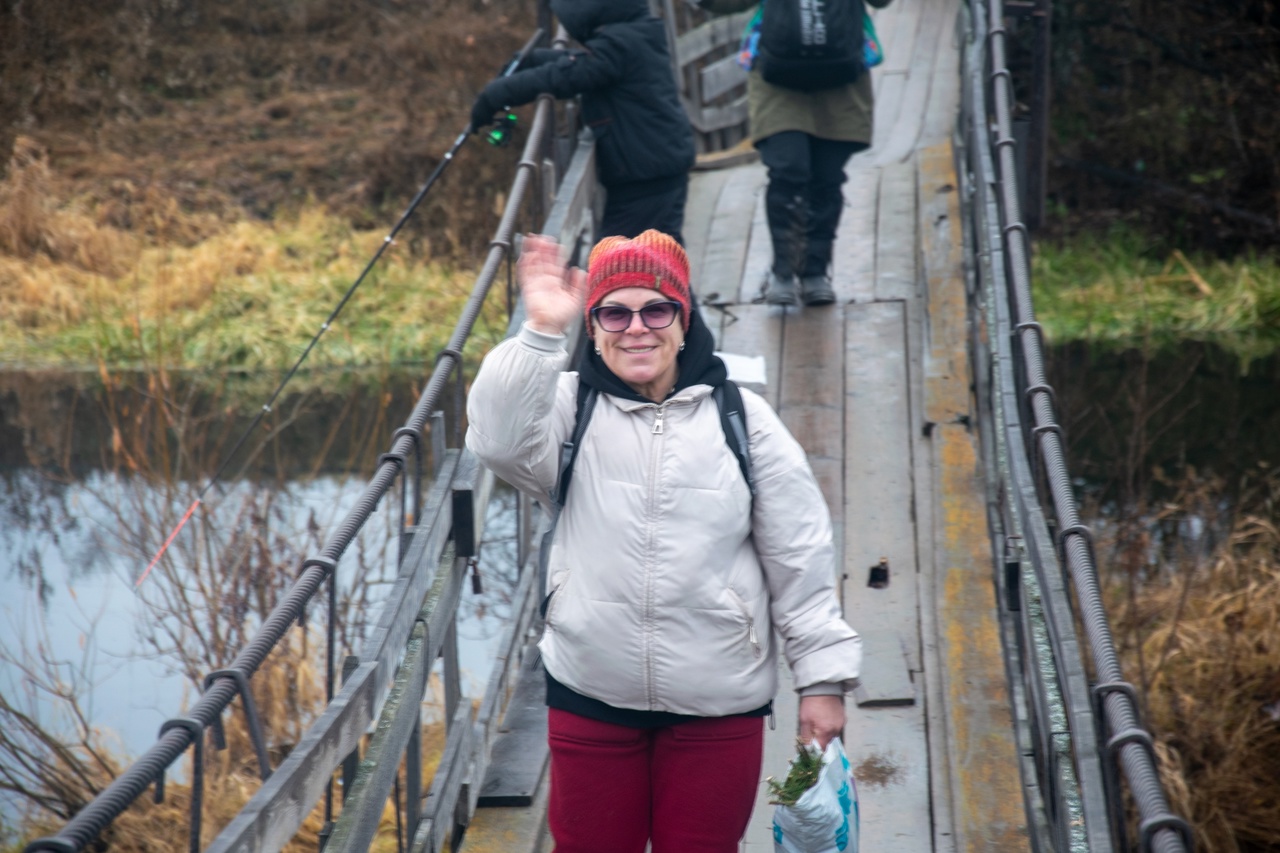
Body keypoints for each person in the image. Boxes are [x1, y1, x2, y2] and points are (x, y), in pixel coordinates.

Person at [466, 229, 862, 852]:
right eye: (613, 312)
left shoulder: (744, 419)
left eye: (656, 309)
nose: (636, 328)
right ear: (592, 327)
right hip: (591, 687)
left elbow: (800, 559)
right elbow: (497, 441)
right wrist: (541, 332)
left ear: (683, 320)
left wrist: (822, 681)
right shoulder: (569, 409)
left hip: (719, 697)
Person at [695, 0, 892, 307]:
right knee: (788, 169)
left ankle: (814, 271)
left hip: (840, 72)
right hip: (778, 74)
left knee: (827, 177)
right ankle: (784, 271)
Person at [469, 0, 695, 244]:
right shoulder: (634, 34)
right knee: (660, 259)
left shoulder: (618, 46)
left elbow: (566, 76)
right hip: (656, 170)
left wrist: (494, 95)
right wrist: (535, 60)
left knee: (617, 263)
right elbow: (577, 62)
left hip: (646, 180)